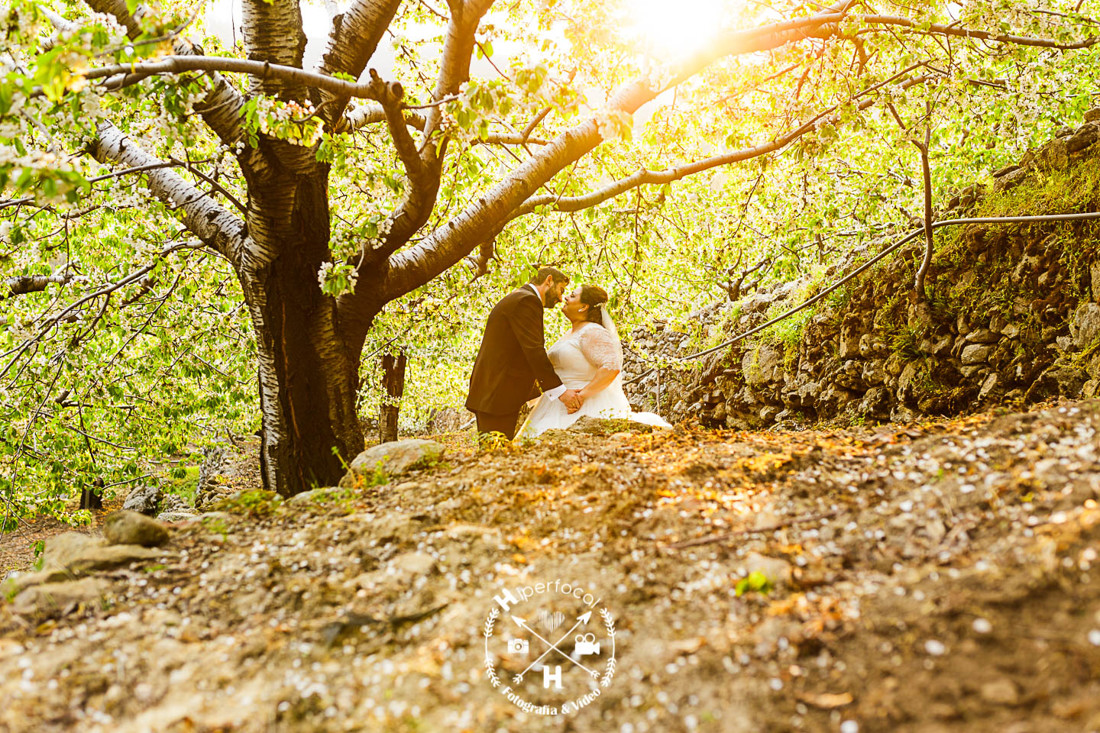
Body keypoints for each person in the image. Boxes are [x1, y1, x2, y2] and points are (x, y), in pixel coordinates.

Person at [516, 284, 671, 439]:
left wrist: (580, 397)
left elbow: (611, 367)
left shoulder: (592, 331)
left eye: (572, 295)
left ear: (583, 306)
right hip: (556, 402)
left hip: (584, 404)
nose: (566, 298)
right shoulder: (571, 333)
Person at [466, 267, 583, 441]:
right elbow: (534, 350)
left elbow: (517, 351)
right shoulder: (527, 301)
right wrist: (561, 393)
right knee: (494, 454)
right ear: (548, 280)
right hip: (497, 395)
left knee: (494, 453)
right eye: (561, 290)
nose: (560, 298)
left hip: (494, 392)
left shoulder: (520, 297)